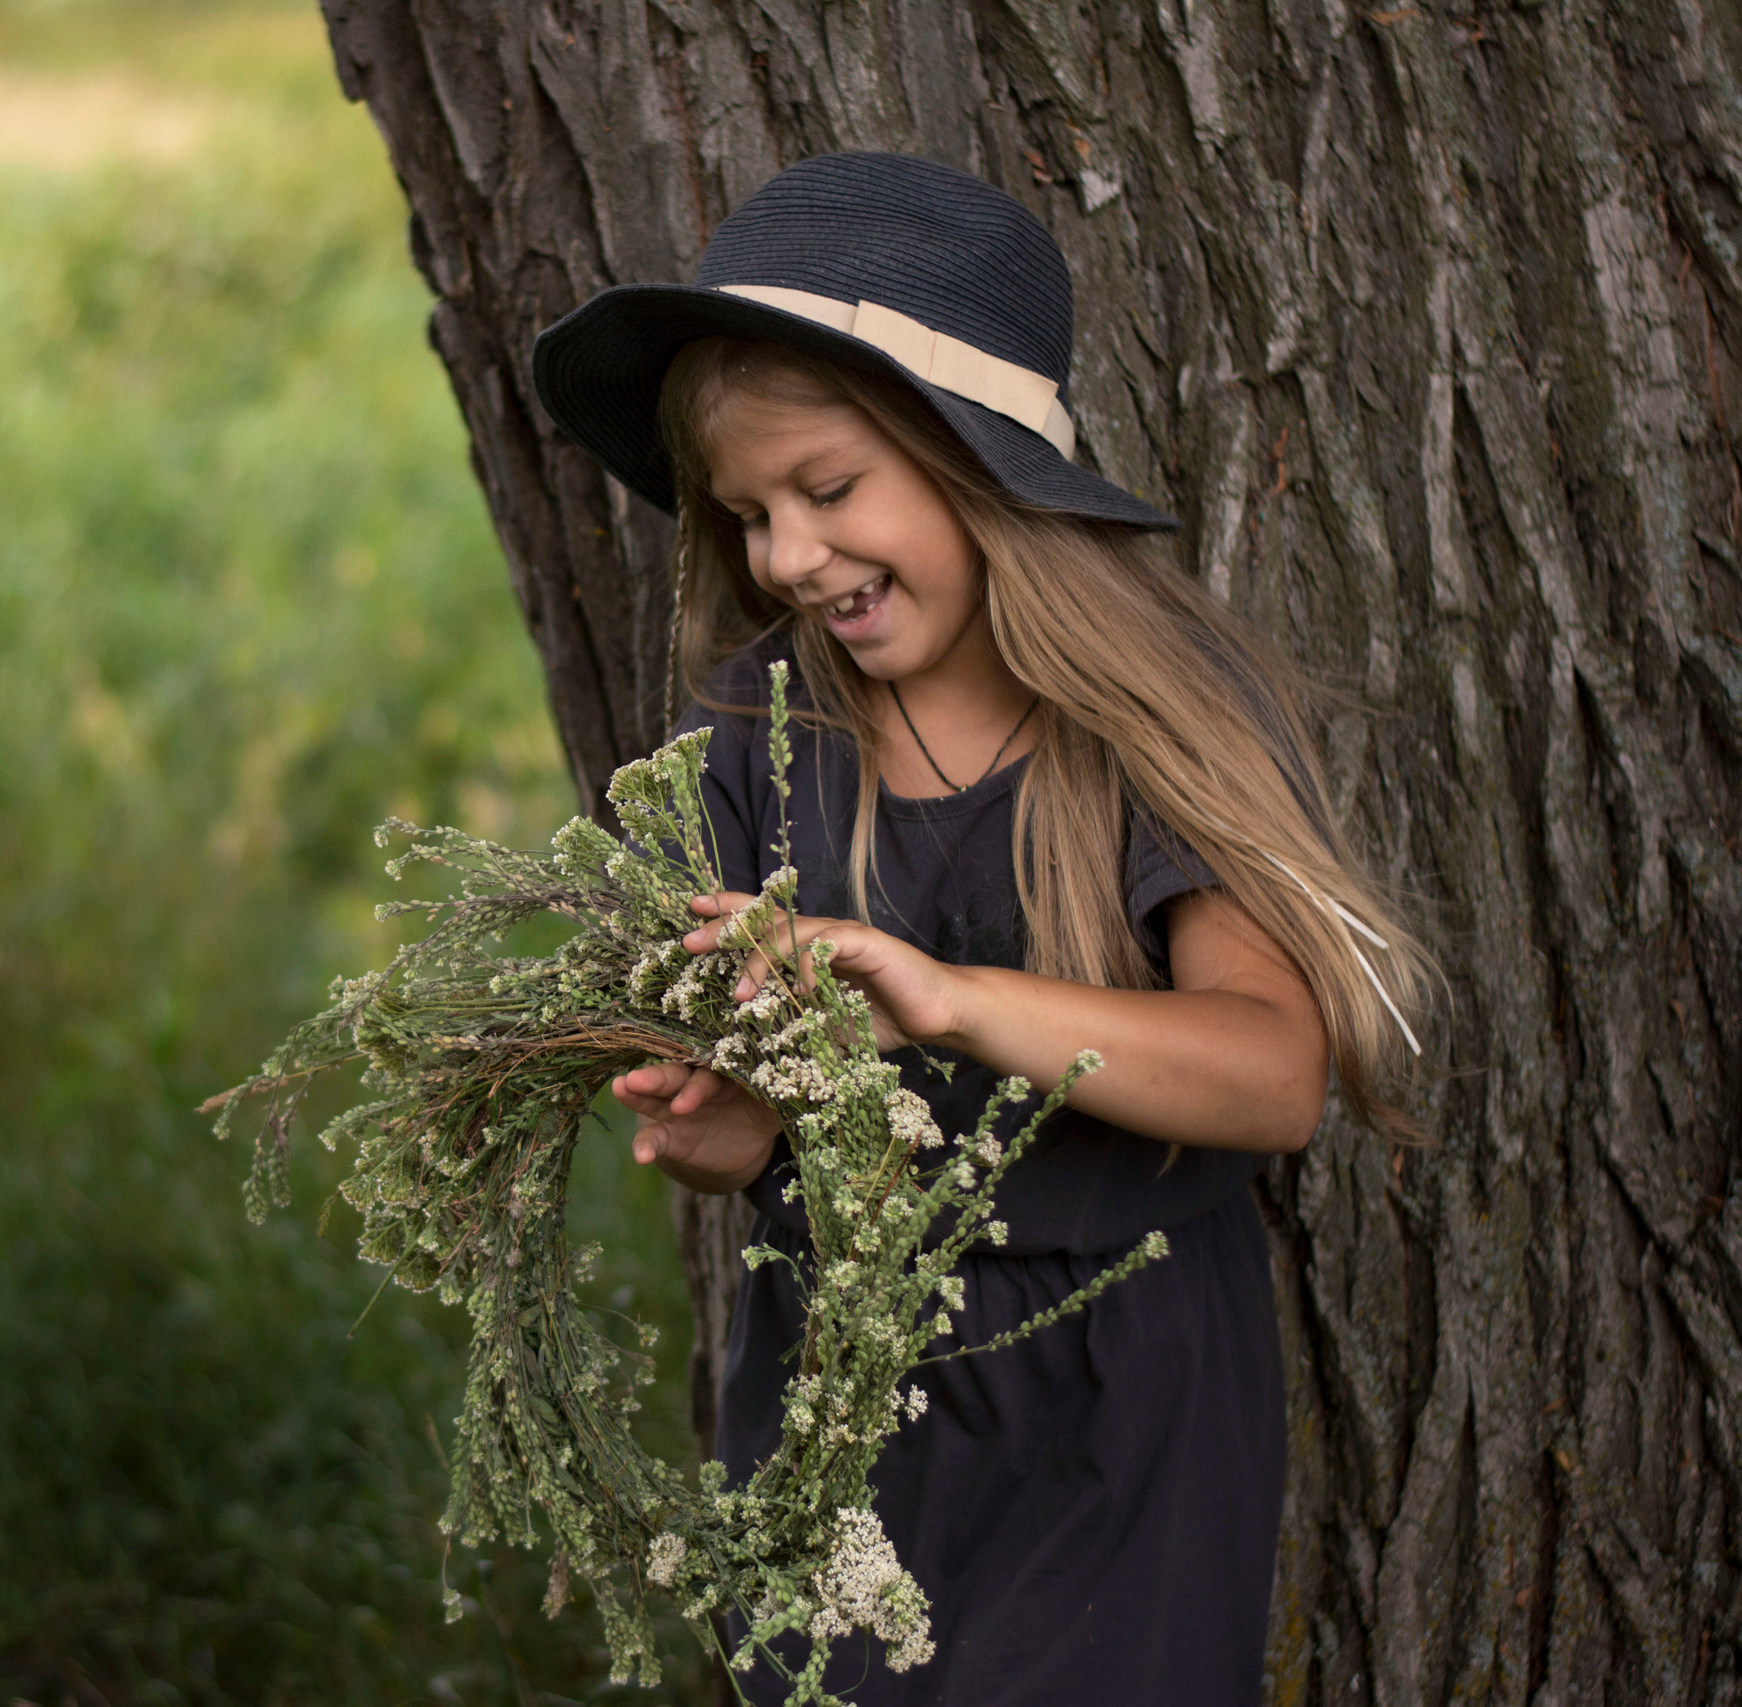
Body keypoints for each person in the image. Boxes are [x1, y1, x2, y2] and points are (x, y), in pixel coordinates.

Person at [527, 153, 1431, 1705]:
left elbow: (1274, 1075)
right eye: (749, 515)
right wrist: (726, 1123)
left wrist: (948, 1002)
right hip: (840, 1389)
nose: (789, 559)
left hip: (1122, 1400)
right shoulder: (754, 734)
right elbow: (752, 1133)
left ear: (976, 457)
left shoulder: (1151, 728)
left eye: (829, 490)